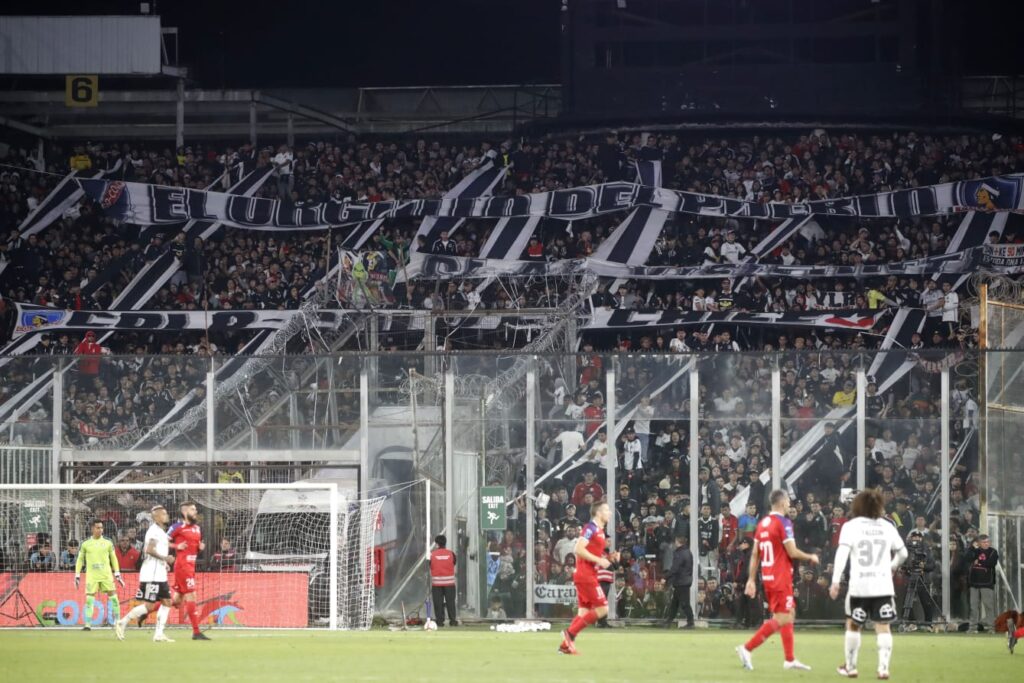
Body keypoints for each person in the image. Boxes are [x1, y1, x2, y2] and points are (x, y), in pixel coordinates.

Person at [829, 489, 909, 679]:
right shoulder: (888, 526)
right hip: (882, 584)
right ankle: (883, 668)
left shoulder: (851, 526)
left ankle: (851, 667)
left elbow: (842, 554)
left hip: (859, 585)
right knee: (883, 626)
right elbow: (903, 553)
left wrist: (835, 581)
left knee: (854, 624)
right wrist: (892, 566)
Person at [736, 489, 819, 672]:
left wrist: (751, 579)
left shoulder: (763, 523)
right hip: (780, 577)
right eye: (788, 501)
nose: (790, 504)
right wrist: (810, 557)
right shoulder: (783, 522)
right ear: (782, 503)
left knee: (788, 614)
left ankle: (789, 659)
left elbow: (755, 554)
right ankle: (747, 648)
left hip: (768, 577)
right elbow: (792, 551)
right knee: (782, 617)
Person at [559, 501, 619, 655]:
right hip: (586, 575)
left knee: (583, 613)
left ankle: (565, 645)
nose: (610, 512)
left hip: (586, 573)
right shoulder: (590, 528)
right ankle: (569, 634)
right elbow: (578, 549)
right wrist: (600, 561)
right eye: (607, 510)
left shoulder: (599, 531)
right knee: (603, 608)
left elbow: (591, 552)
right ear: (598, 513)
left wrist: (608, 558)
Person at [116, 505, 175, 642]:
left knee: (167, 602)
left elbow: (156, 551)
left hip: (159, 573)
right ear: (156, 517)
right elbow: (149, 550)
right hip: (151, 574)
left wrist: (164, 563)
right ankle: (122, 622)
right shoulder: (154, 531)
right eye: (164, 513)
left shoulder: (160, 531)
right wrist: (165, 559)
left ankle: (159, 634)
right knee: (149, 606)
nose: (166, 515)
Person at [169, 501, 209, 640]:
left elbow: (194, 546)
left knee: (177, 600)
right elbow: (163, 541)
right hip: (182, 566)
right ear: (185, 512)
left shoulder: (197, 528)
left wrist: (199, 547)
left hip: (191, 566)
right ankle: (196, 632)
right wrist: (176, 546)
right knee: (192, 596)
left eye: (196, 509)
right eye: (193, 510)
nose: (196, 512)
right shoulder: (177, 527)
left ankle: (146, 610)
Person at [74, 519, 124, 631]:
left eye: (101, 528)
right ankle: (87, 625)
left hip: (106, 575)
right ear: (92, 528)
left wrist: (117, 573)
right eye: (97, 527)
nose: (100, 530)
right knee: (89, 600)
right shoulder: (86, 544)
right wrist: (77, 575)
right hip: (92, 576)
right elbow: (80, 559)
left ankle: (118, 622)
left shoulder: (108, 543)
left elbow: (113, 558)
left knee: (114, 599)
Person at [966, 534, 999, 633]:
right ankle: (972, 628)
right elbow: (967, 558)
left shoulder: (993, 552)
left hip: (987, 583)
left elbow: (991, 563)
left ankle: (991, 628)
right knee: (973, 607)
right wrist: (972, 547)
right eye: (984, 542)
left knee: (988, 606)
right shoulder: (975, 551)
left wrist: (979, 561)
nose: (986, 544)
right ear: (979, 543)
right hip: (974, 582)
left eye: (988, 542)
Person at [663, 536, 694, 628]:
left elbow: (675, 568)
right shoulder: (688, 552)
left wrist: (666, 577)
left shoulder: (680, 553)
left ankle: (690, 622)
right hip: (685, 580)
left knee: (684, 603)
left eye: (675, 541)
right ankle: (668, 621)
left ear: (678, 542)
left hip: (681, 581)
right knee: (675, 603)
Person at [429, 534, 458, 627]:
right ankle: (453, 621)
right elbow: (453, 563)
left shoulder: (432, 554)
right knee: (450, 602)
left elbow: (430, 565)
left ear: (437, 544)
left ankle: (439, 621)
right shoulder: (451, 554)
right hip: (449, 583)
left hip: (436, 583)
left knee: (438, 603)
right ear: (445, 543)